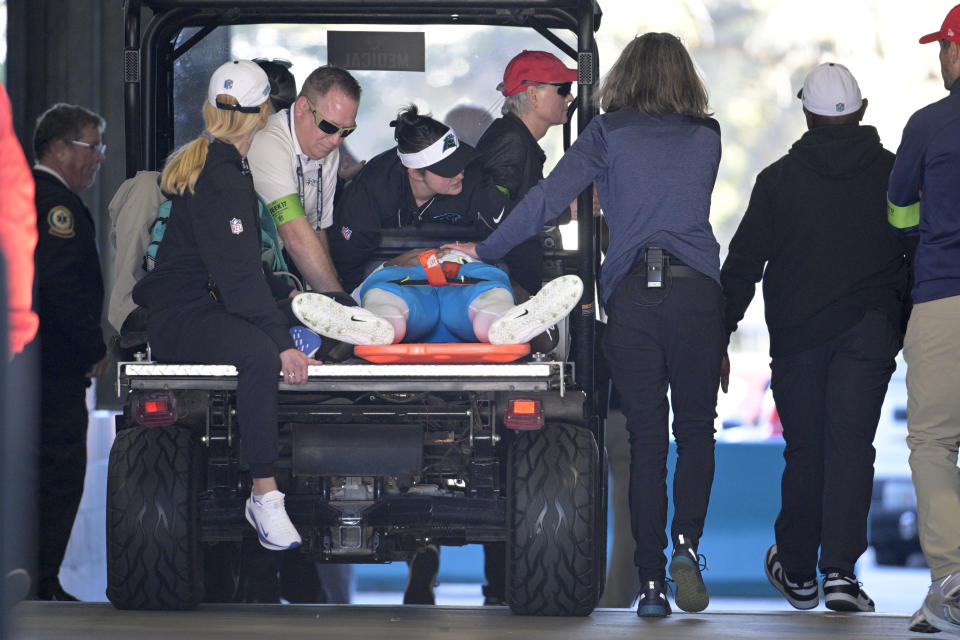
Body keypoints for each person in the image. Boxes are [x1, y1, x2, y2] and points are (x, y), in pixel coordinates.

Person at [450, 33, 723, 618]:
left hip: (633, 297)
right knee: (697, 430)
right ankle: (687, 548)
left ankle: (650, 584)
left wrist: (485, 248)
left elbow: (548, 199)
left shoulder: (607, 133)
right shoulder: (708, 136)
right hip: (700, 295)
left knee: (648, 439)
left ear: (623, 76)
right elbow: (671, 195)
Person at [721, 62, 911, 613]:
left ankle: (799, 570)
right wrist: (899, 327)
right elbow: (916, 249)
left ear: (806, 113)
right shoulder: (894, 176)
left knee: (806, 452)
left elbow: (742, 266)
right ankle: (840, 576)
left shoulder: (777, 180)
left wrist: (718, 334)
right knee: (852, 450)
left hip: (800, 338)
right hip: (870, 334)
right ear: (862, 111)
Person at [133, 60, 314, 555]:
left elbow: (234, 271)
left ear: (210, 108)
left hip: (190, 307)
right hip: (183, 315)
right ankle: (264, 495)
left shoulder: (214, 160)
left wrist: (288, 299)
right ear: (263, 116)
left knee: (268, 334)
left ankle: (265, 492)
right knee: (259, 354)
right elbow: (238, 279)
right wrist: (283, 345)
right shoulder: (223, 173)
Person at [888, 5, 960, 634]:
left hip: (944, 299)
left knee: (934, 443)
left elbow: (897, 210)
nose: (940, 58)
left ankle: (954, 584)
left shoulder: (931, 124)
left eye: (943, 48)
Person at [29, 102, 110, 601]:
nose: (99, 158)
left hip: (34, 366)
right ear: (59, 148)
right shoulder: (53, 204)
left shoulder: (30, 196)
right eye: (91, 146)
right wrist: (91, 344)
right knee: (58, 473)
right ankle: (39, 582)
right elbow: (59, 285)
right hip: (52, 367)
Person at [328, 105, 507, 293]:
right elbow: (347, 268)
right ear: (415, 173)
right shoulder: (371, 191)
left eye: (460, 160)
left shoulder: (473, 179)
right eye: (448, 168)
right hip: (388, 273)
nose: (460, 173)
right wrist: (393, 265)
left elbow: (511, 232)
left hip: (462, 268)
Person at [247, 64, 361, 293]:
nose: (336, 141)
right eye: (328, 126)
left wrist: (334, 294)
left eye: (346, 131)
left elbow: (317, 229)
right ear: (301, 107)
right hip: (253, 270)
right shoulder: (268, 143)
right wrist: (341, 305)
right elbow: (296, 237)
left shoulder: (327, 151)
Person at [474, 50, 576, 295]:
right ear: (532, 95)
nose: (571, 97)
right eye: (563, 89)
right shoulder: (510, 140)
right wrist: (565, 210)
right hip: (504, 283)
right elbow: (495, 217)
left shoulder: (516, 137)